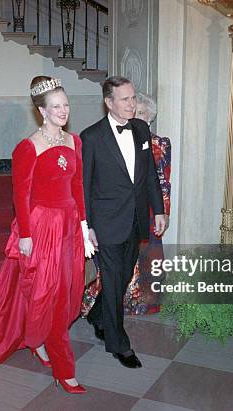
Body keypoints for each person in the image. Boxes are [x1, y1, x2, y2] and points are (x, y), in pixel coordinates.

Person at [0, 76, 94, 395]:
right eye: (55, 106)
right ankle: (64, 369)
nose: (63, 111)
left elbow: (78, 188)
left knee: (67, 294)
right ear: (41, 110)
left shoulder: (75, 142)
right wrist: (25, 234)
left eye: (66, 104)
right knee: (50, 296)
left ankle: (37, 339)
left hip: (69, 227)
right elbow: (20, 195)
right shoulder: (28, 147)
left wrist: (84, 229)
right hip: (42, 228)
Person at [81, 76, 166, 369]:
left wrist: (159, 210)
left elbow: (150, 177)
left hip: (136, 219)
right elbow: (84, 185)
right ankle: (119, 344)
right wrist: (87, 225)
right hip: (105, 222)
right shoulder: (91, 137)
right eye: (126, 99)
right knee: (115, 278)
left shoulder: (141, 129)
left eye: (133, 98)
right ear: (109, 102)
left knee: (123, 274)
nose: (133, 104)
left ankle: (96, 315)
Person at [124, 92, 172, 315]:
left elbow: (164, 181)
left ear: (150, 118)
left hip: (151, 210)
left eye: (142, 113)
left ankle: (149, 301)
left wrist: (164, 211)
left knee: (150, 256)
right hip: (124, 209)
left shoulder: (160, 144)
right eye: (135, 112)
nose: (136, 115)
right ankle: (126, 299)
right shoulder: (122, 139)